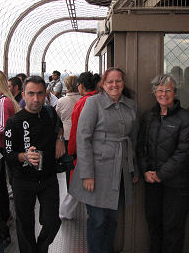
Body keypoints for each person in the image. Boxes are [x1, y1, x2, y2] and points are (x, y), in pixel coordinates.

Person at [69, 67, 138, 253]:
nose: (114, 85)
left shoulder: (131, 105)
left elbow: (134, 140)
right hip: (97, 172)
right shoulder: (93, 103)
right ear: (103, 84)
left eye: (118, 81)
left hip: (120, 171)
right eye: (110, 81)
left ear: (123, 83)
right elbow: (83, 139)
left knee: (112, 218)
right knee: (98, 219)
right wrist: (87, 174)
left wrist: (134, 170)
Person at [4, 76, 65, 253]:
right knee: (25, 227)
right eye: (31, 94)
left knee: (53, 221)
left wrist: (60, 139)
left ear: (45, 94)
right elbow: (8, 154)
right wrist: (24, 156)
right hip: (23, 180)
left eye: (40, 94)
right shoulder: (14, 122)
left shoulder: (49, 113)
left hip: (48, 178)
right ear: (23, 95)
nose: (36, 99)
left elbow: (59, 126)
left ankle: (41, 248)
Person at [136, 74, 189, 253]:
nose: (163, 94)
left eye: (168, 90)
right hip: (152, 183)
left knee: (173, 228)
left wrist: (161, 174)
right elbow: (141, 146)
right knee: (154, 225)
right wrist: (146, 171)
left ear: (175, 92)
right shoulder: (148, 117)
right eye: (160, 90)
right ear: (154, 93)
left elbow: (183, 152)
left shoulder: (186, 118)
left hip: (177, 185)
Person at [59, 71, 100, 220]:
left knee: (75, 182)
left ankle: (66, 213)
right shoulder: (101, 99)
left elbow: (77, 130)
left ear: (81, 86)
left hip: (83, 151)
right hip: (100, 151)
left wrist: (72, 151)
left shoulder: (83, 102)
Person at [0, 70, 20, 243]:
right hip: (3, 148)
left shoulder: (2, 103)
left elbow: (1, 128)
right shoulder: (6, 101)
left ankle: (4, 217)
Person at [55, 75, 81, 188]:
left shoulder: (61, 101)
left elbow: (58, 117)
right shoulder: (83, 99)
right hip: (80, 135)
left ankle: (70, 187)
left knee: (68, 165)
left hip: (66, 136)